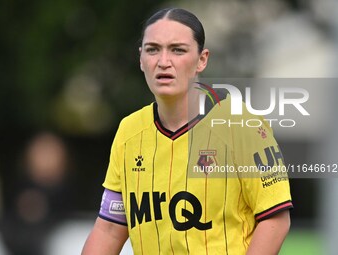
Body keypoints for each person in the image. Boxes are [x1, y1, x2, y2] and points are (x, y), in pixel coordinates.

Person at [82, 7, 293, 255]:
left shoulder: (243, 125)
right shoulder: (129, 131)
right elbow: (109, 228)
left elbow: (275, 220)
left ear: (202, 59)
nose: (163, 62)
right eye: (152, 49)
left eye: (177, 50)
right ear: (141, 59)